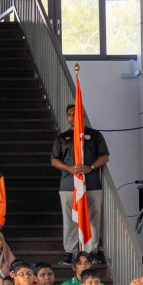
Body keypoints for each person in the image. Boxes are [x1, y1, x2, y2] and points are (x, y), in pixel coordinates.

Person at [49, 101, 110, 263]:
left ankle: (92, 252)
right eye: (69, 114)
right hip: (69, 186)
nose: (72, 117)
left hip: (91, 185)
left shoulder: (95, 135)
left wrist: (90, 167)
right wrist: (69, 168)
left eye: (75, 113)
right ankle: (70, 252)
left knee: (93, 218)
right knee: (70, 219)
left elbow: (104, 156)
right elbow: (54, 160)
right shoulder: (63, 138)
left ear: (81, 115)